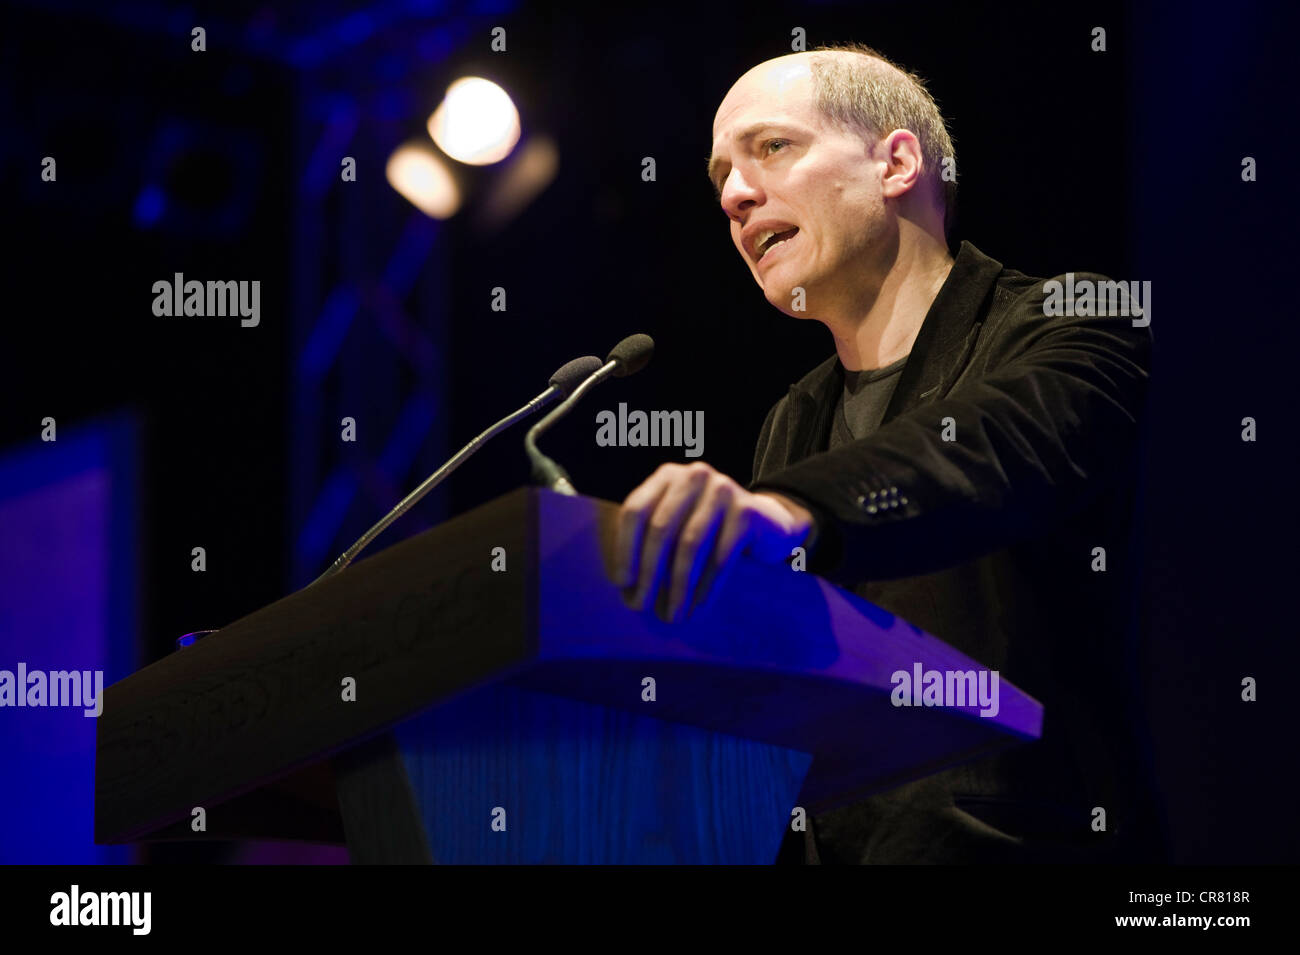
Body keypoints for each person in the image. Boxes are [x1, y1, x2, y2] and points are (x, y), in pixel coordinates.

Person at [612, 43, 1165, 863]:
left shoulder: (1070, 324)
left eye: (771, 148)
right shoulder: (792, 419)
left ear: (897, 162)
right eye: (720, 173)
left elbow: (997, 446)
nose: (734, 194)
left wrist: (797, 510)